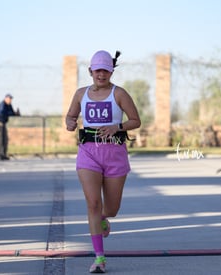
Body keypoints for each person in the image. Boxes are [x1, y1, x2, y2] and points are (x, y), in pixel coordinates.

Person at [65, 50, 141, 273]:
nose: (101, 74)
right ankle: (99, 257)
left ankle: (105, 219)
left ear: (111, 71)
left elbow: (135, 120)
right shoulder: (81, 94)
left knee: (111, 208)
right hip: (88, 152)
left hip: (115, 154)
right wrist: (70, 123)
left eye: (106, 70)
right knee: (93, 205)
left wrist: (117, 127)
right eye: (97, 70)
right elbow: (70, 116)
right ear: (90, 71)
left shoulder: (119, 94)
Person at [0, 94, 20, 160]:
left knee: (5, 139)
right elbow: (2, 113)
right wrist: (10, 113)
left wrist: (16, 113)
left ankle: (4, 154)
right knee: (0, 139)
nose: (10, 100)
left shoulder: (9, 105)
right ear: (6, 98)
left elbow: (11, 112)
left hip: (3, 123)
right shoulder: (2, 104)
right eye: (9, 99)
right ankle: (0, 155)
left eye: (11, 99)